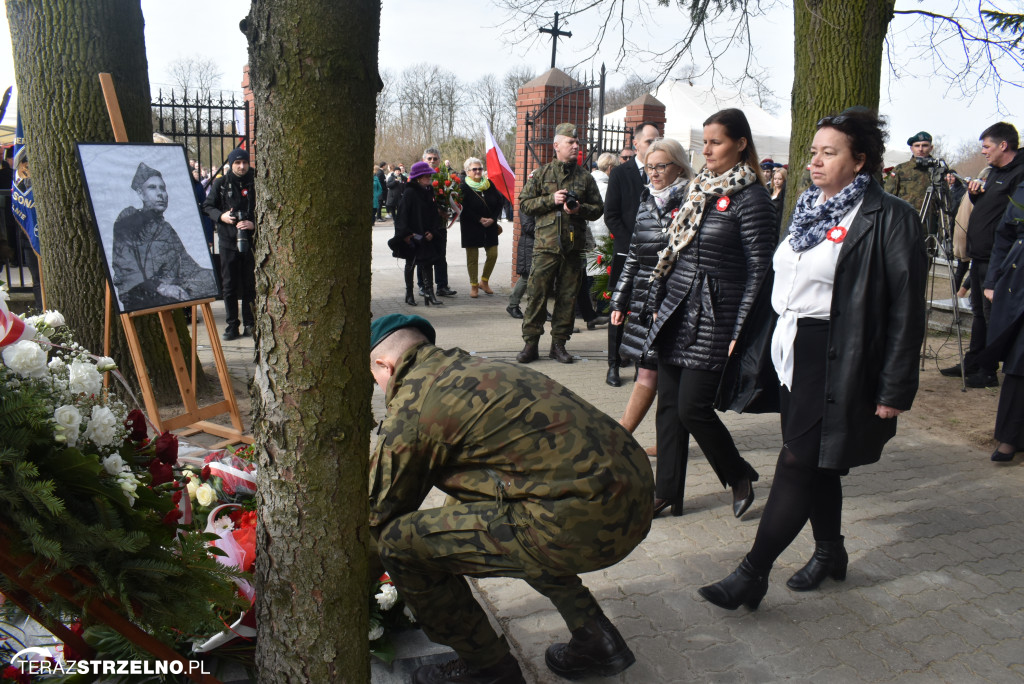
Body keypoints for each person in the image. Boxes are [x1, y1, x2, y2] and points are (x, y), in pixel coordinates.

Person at [699, 108, 927, 611]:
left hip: (839, 354)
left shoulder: (889, 217)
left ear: (860, 160)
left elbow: (906, 311)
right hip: (790, 349)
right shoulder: (804, 207)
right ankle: (830, 552)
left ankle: (752, 574)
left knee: (798, 460)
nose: (816, 162)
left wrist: (893, 390)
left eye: (830, 153)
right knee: (817, 460)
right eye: (814, 152)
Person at [368, 313, 653, 684]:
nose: (378, 388)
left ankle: (488, 670)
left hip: (586, 522)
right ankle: (596, 639)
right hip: (636, 498)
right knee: (495, 518)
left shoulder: (415, 404)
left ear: (384, 364)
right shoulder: (474, 368)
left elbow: (377, 512)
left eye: (375, 379)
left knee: (399, 544)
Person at [645, 108, 776, 518]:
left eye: (716, 142)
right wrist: (657, 302)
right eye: (705, 143)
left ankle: (738, 473)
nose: (708, 150)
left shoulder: (752, 198)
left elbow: (760, 269)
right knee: (668, 407)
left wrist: (742, 326)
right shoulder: (698, 188)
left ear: (740, 144)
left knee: (693, 408)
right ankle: (666, 492)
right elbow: (676, 252)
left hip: (717, 316)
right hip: (678, 308)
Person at [610, 138, 694, 439]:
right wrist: (619, 301)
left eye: (661, 166)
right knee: (648, 368)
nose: (654, 173)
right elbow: (633, 256)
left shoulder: (692, 202)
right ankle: (625, 434)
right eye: (649, 167)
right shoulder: (647, 203)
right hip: (645, 299)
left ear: (679, 166)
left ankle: (638, 436)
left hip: (675, 300)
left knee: (667, 376)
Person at [941, 122, 1024, 388]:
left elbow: (1012, 221)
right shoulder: (995, 172)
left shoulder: (1019, 175)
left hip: (997, 258)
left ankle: (988, 370)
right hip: (979, 255)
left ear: (1003, 145)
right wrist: (977, 198)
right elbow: (993, 209)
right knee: (978, 313)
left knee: (991, 314)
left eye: (987, 147)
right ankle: (973, 361)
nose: (984, 152)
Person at [516, 123, 604, 364]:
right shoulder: (542, 174)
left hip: (573, 249)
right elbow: (524, 203)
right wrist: (550, 200)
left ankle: (559, 345)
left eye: (577, 143)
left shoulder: (585, 177)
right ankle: (530, 344)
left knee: (568, 297)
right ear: (557, 146)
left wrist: (579, 209)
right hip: (545, 246)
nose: (576, 146)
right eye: (570, 142)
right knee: (537, 295)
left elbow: (598, 209)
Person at [112, 162, 217, 311]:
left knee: (211, 279)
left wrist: (209, 279)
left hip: (171, 286)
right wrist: (161, 287)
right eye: (152, 188)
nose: (160, 193)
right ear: (141, 193)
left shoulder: (165, 228)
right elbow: (127, 268)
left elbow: (186, 266)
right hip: (142, 293)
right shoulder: (128, 221)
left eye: (163, 188)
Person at [604, 123, 662, 386]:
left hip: (655, 260)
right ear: (636, 144)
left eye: (658, 140)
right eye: (650, 141)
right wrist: (635, 246)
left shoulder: (663, 172)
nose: (655, 145)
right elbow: (612, 216)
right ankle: (613, 364)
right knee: (619, 309)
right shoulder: (621, 174)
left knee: (646, 311)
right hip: (626, 254)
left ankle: (643, 363)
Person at [982, 179, 1024, 461]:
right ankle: (1010, 438)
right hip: (1019, 283)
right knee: (1020, 361)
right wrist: (992, 279)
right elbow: (1004, 236)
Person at [204, 147, 256, 340]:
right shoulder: (221, 183)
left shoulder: (255, 181)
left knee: (250, 285)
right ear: (231, 164)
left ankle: (250, 323)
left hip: (250, 241)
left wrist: (252, 224)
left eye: (244, 162)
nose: (242, 167)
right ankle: (232, 325)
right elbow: (207, 206)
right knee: (229, 286)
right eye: (237, 163)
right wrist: (222, 216)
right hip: (227, 242)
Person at [395, 161, 445, 306]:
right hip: (412, 235)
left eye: (429, 175)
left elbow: (433, 214)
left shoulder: (429, 191)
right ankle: (409, 293)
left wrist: (433, 232)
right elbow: (403, 214)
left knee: (428, 262)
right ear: (418, 177)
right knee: (411, 263)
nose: (429, 178)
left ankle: (430, 293)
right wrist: (406, 234)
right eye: (426, 176)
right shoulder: (410, 192)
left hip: (426, 234)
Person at [459, 157, 503, 298]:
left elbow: (499, 202)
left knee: (493, 254)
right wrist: (478, 219)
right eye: (474, 169)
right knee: (472, 257)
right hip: (471, 225)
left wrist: (493, 219)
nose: (478, 171)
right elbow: (462, 207)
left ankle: (484, 281)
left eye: (480, 169)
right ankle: (474, 286)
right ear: (467, 172)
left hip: (490, 224)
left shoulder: (489, 184)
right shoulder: (463, 187)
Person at [884, 131, 939, 236]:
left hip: (930, 227)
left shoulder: (938, 171)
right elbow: (888, 197)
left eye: (925, 145)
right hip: (904, 224)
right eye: (917, 146)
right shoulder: (901, 169)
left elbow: (945, 203)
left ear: (931, 148)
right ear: (911, 148)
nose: (921, 149)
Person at [420, 147, 457, 298]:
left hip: (440, 225)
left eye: (435, 158)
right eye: (429, 158)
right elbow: (418, 204)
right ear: (424, 160)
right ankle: (423, 286)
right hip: (424, 226)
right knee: (422, 257)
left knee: (441, 256)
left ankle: (442, 286)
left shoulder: (444, 178)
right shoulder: (419, 178)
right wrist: (437, 210)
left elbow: (451, 198)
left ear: (440, 161)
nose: (432, 161)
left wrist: (450, 208)